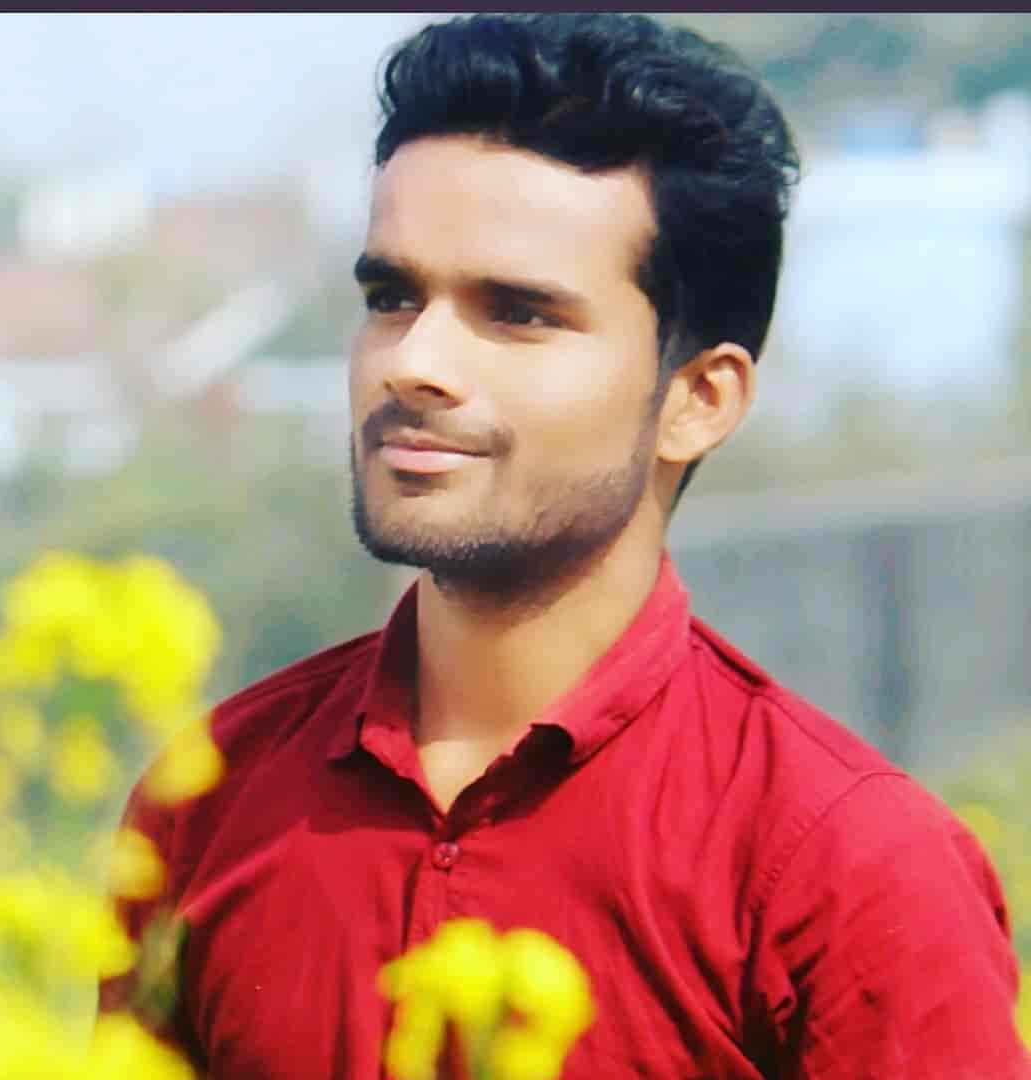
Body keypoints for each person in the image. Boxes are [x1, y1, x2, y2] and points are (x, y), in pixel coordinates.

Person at [99, 13, 1030, 1078]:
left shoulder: (844, 865)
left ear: (697, 400)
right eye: (392, 296)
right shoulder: (210, 804)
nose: (413, 360)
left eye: (518, 314)